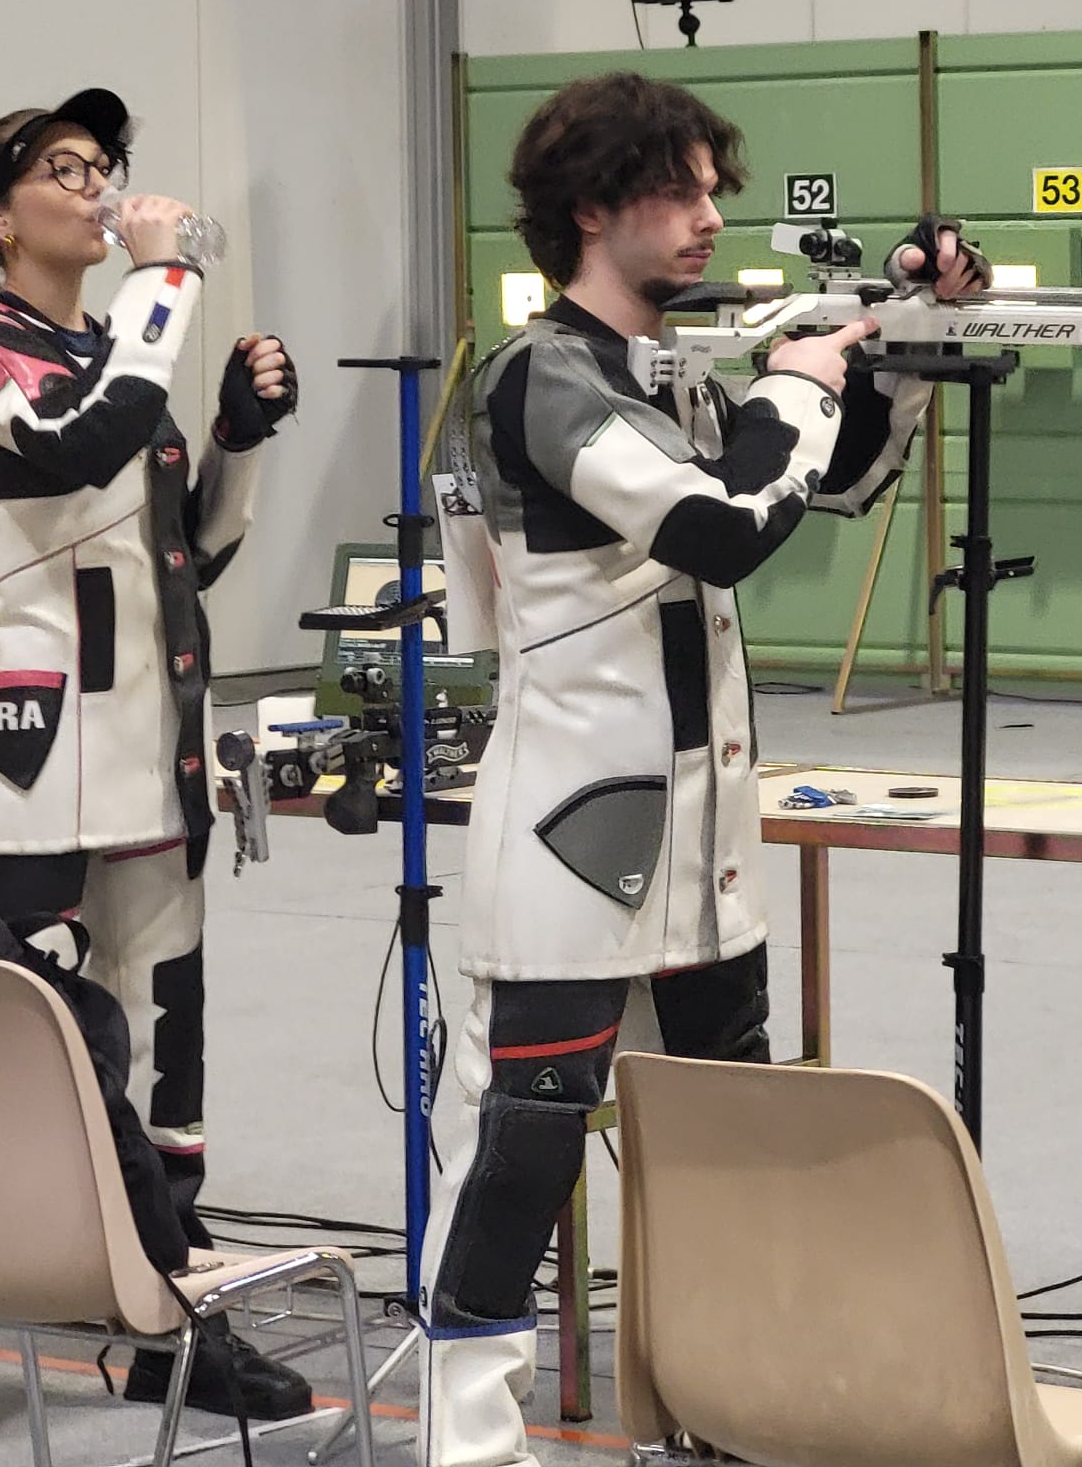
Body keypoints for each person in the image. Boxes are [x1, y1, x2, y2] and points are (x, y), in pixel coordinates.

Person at [418, 71, 988, 1467]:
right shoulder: (544, 373)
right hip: (572, 840)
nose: (710, 217)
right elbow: (721, 525)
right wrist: (796, 386)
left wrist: (896, 340)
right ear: (593, 208)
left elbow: (826, 480)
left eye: (711, 191)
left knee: (731, 1153)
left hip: (700, 841)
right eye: (678, 191)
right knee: (520, 1157)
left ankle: (731, 1416)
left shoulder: (659, 373)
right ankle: (467, 1449)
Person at [0, 91, 308, 1467]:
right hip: (31, 759)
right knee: (7, 1064)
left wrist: (236, 438)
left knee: (166, 1066)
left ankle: (170, 1321)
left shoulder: (116, 355)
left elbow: (186, 556)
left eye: (108, 167)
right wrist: (166, 281)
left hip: (150, 764)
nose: (101, 187)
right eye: (66, 170)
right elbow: (70, 443)